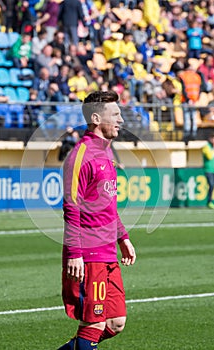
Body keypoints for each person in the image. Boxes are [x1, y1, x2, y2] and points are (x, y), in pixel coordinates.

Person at [58, 90, 136, 350]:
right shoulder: (81, 154)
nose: (121, 120)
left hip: (108, 253)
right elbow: (71, 206)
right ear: (95, 118)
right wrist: (75, 253)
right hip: (88, 255)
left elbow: (108, 206)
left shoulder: (106, 153)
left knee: (116, 323)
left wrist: (122, 238)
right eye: (115, 114)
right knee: (94, 324)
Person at [202, 132, 214, 209]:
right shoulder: (206, 147)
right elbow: (210, 156)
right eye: (213, 138)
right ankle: (209, 201)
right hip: (209, 170)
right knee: (211, 185)